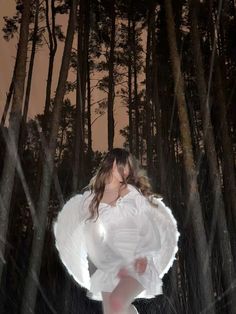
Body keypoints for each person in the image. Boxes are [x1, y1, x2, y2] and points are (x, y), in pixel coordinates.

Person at [53, 148, 180, 314]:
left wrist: (144, 254)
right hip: (110, 263)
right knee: (114, 310)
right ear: (113, 164)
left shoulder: (132, 193)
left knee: (117, 303)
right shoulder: (92, 199)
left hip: (136, 257)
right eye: (124, 166)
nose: (127, 171)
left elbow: (147, 227)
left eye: (128, 168)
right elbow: (92, 235)